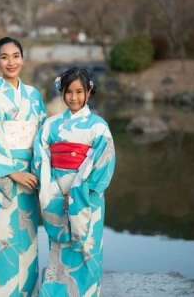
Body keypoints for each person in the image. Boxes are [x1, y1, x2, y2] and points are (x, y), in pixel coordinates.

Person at [0, 37, 47, 295]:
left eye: (15, 56)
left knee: (27, 239)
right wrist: (13, 172)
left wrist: (38, 170)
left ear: (23, 59)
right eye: (4, 57)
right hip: (2, 177)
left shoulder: (34, 96)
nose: (11, 62)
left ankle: (28, 291)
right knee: (3, 237)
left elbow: (43, 136)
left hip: (31, 176)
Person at [32, 67, 116, 296]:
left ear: (89, 91)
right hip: (57, 196)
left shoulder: (99, 126)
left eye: (80, 91)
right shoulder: (51, 125)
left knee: (88, 248)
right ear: (62, 93)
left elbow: (105, 162)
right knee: (59, 250)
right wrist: (53, 190)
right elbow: (41, 158)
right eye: (69, 92)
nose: (74, 97)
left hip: (88, 198)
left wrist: (81, 191)